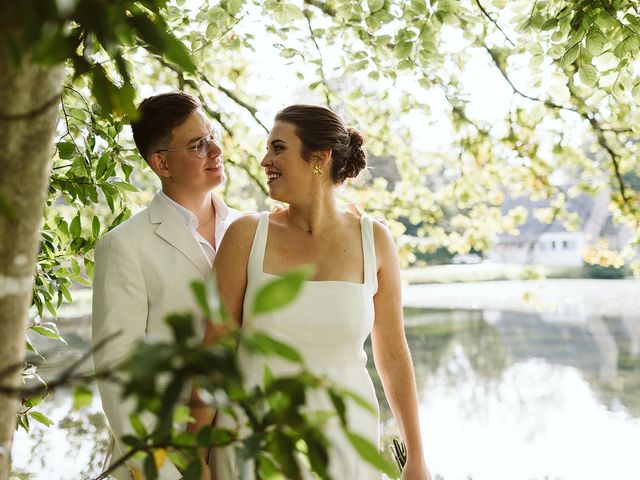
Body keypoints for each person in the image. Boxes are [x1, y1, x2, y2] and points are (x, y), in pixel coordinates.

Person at [210, 105, 431, 479]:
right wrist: (195, 454)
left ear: (319, 157)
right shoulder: (246, 235)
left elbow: (393, 354)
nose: (265, 160)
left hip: (347, 446)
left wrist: (416, 458)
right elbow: (212, 351)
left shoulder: (374, 240)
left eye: (278, 148)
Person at [92, 91, 242, 479]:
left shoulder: (253, 230)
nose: (216, 149)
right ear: (162, 163)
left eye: (212, 135)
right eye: (198, 145)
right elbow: (116, 373)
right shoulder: (125, 245)